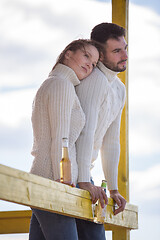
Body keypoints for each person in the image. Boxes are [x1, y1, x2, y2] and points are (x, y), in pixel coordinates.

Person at [29, 39, 105, 240]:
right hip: (53, 181)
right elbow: (60, 139)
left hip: (47, 180)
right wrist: (63, 184)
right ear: (68, 53)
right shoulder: (61, 84)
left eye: (95, 63)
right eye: (86, 55)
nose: (90, 64)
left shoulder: (57, 83)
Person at [75, 22, 128, 239]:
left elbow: (111, 141)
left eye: (125, 48)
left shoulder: (119, 88)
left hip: (85, 176)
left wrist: (114, 189)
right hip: (68, 176)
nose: (125, 55)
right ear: (101, 55)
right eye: (116, 51)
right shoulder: (93, 80)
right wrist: (83, 181)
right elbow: (85, 132)